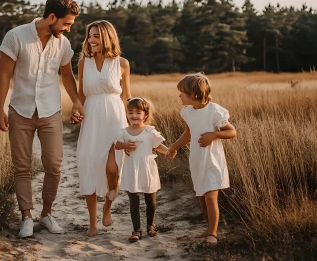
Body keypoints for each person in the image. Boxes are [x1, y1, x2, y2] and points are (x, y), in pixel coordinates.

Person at [0, 0, 84, 238]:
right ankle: (26, 216)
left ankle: (46, 214)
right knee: (21, 167)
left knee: (54, 165)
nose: (68, 29)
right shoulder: (16, 36)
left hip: (50, 111)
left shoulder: (63, 44)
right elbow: (4, 76)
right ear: (51, 17)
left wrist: (76, 101)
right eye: (66, 24)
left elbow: (67, 75)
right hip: (20, 111)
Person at [76, 20, 131, 237]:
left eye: (96, 36)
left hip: (115, 116)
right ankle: (92, 222)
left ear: (107, 37)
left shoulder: (122, 63)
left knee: (112, 168)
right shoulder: (83, 62)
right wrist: (76, 110)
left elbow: (127, 95)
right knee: (88, 165)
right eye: (89, 35)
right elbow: (81, 94)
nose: (91, 40)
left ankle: (107, 209)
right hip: (92, 116)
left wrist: (136, 124)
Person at [166, 73, 237, 244]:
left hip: (212, 160)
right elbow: (188, 134)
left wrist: (215, 134)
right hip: (197, 159)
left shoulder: (214, 111)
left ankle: (213, 233)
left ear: (195, 95)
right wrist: (174, 147)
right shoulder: (187, 112)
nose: (179, 95)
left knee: (210, 197)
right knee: (201, 196)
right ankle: (208, 228)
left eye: (182, 92)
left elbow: (232, 131)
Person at [114, 97, 169, 242]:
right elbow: (117, 145)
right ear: (126, 114)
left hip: (147, 166)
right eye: (130, 112)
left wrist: (169, 151)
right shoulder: (124, 131)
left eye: (138, 113)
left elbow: (157, 146)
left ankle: (151, 225)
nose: (134, 116)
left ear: (145, 115)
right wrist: (125, 145)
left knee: (150, 199)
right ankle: (136, 230)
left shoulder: (150, 131)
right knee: (134, 199)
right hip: (132, 167)